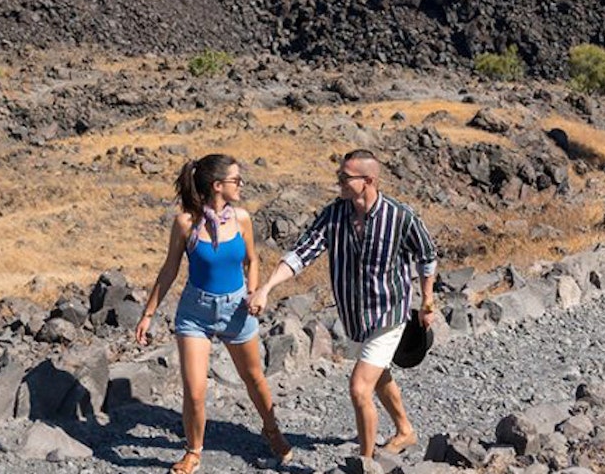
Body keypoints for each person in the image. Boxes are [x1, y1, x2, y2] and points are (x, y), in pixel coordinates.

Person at [248, 149, 438, 459]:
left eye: (344, 177)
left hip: (389, 312)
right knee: (378, 375)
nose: (338, 181)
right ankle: (405, 431)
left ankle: (365, 463)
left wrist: (428, 300)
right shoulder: (334, 214)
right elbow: (302, 254)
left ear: (368, 180)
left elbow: (427, 256)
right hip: (353, 316)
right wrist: (266, 287)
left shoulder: (401, 217)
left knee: (359, 388)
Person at [135, 154, 292, 474]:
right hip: (195, 313)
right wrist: (148, 314)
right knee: (194, 391)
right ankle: (193, 452)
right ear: (218, 186)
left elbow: (252, 259)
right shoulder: (185, 224)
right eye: (236, 180)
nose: (242, 185)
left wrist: (254, 291)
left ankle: (272, 431)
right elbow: (168, 271)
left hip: (237, 308)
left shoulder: (243, 218)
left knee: (254, 379)